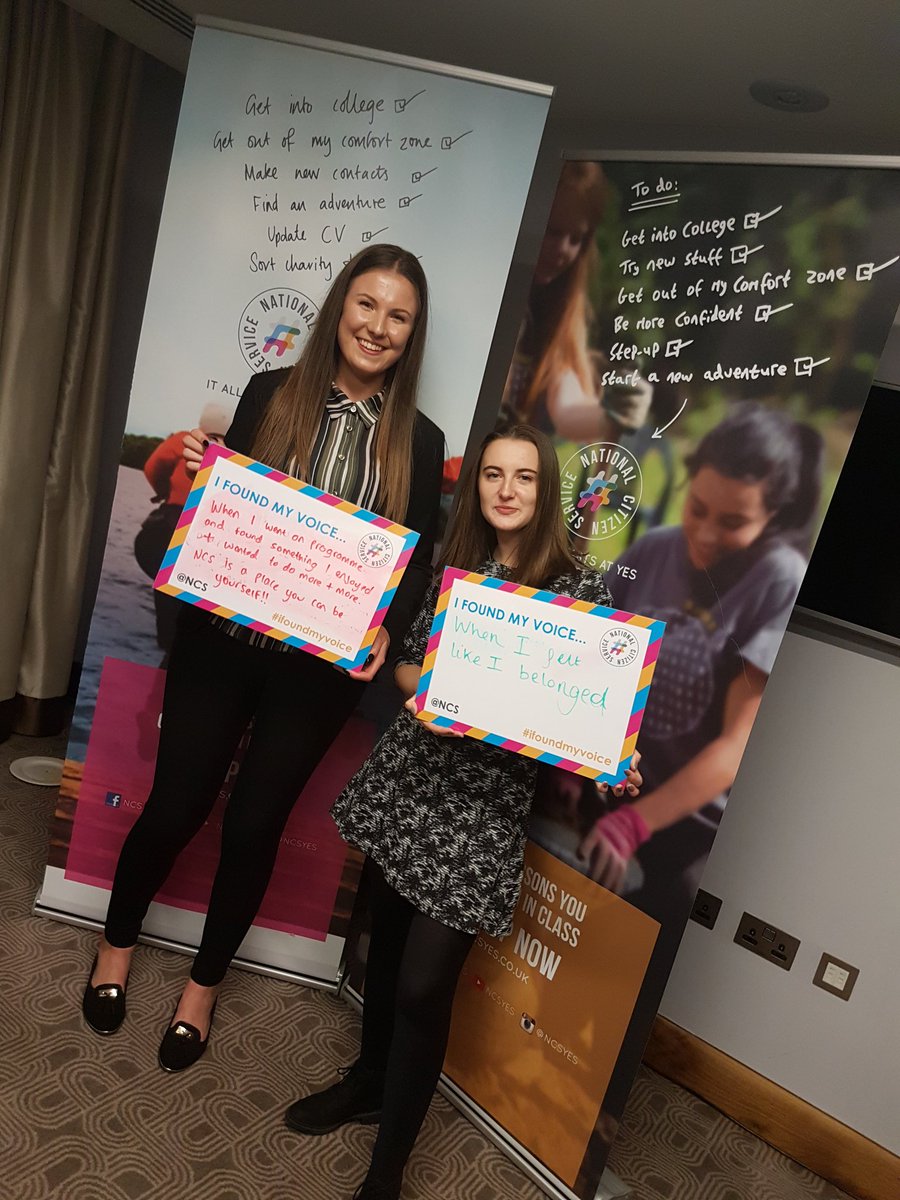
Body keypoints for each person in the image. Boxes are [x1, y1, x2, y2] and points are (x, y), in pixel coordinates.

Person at [81, 244, 445, 1070]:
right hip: (223, 644)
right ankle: (114, 947)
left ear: (411, 334)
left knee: (253, 827)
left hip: (316, 677)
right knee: (176, 808)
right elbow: (222, 514)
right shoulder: (270, 393)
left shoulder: (420, 440)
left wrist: (389, 625)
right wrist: (207, 488)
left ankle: (201, 990)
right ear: (339, 308)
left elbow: (414, 559)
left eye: (398, 316)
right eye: (366, 305)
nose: (378, 327)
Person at [283, 426, 642, 1200]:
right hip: (411, 782)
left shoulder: (583, 595)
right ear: (476, 486)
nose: (505, 490)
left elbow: (590, 720)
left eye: (523, 477)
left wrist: (614, 756)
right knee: (380, 951)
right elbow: (409, 664)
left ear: (549, 492)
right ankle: (368, 1080)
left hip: (481, 813)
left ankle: (388, 1172)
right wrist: (427, 688)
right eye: (490, 475)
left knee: (422, 989)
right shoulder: (459, 574)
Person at [567, 405, 823, 948]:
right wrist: (573, 762)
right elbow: (594, 665)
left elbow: (736, 746)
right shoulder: (656, 548)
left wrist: (634, 824)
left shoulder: (778, 581)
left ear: (772, 517)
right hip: (614, 781)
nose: (704, 535)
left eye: (732, 522)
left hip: (687, 827)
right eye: (697, 508)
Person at [499, 161, 652, 443]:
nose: (563, 250)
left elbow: (568, 411)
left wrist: (612, 412)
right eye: (553, 231)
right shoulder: (486, 288)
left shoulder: (563, 314)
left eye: (576, 238)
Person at [134, 402, 231, 652]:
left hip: (167, 532)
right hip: (197, 541)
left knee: (170, 609)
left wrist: (165, 492)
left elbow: (152, 468)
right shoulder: (236, 455)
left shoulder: (183, 440)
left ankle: (166, 647)